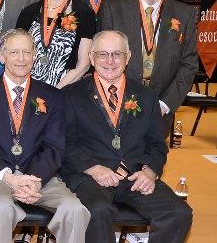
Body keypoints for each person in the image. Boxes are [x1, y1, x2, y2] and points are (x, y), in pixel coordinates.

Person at [60, 30, 192, 243]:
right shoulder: (70, 95)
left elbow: (157, 145)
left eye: (117, 54)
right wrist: (93, 168)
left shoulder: (146, 96)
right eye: (103, 54)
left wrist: (150, 172)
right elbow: (65, 144)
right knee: (98, 210)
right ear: (91, 57)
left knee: (178, 213)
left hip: (135, 176)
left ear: (128, 57)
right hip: (91, 176)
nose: (110, 61)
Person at [0, 29, 89, 243]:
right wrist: (9, 177)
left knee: (74, 209)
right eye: (14, 52)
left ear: (35, 56)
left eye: (27, 52)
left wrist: (32, 180)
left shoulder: (52, 96)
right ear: (1, 56)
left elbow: (54, 147)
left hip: (38, 177)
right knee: (1, 208)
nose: (21, 59)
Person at [98, 0, 197, 132]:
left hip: (161, 108)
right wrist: (114, 98)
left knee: (153, 159)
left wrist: (166, 104)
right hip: (117, 103)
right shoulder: (113, 8)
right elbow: (103, 58)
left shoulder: (185, 14)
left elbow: (188, 64)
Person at [16, 0, 95, 88]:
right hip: (28, 89)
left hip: (66, 92)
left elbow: (83, 64)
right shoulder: (28, 12)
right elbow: (16, 56)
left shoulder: (84, 13)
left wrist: (55, 93)